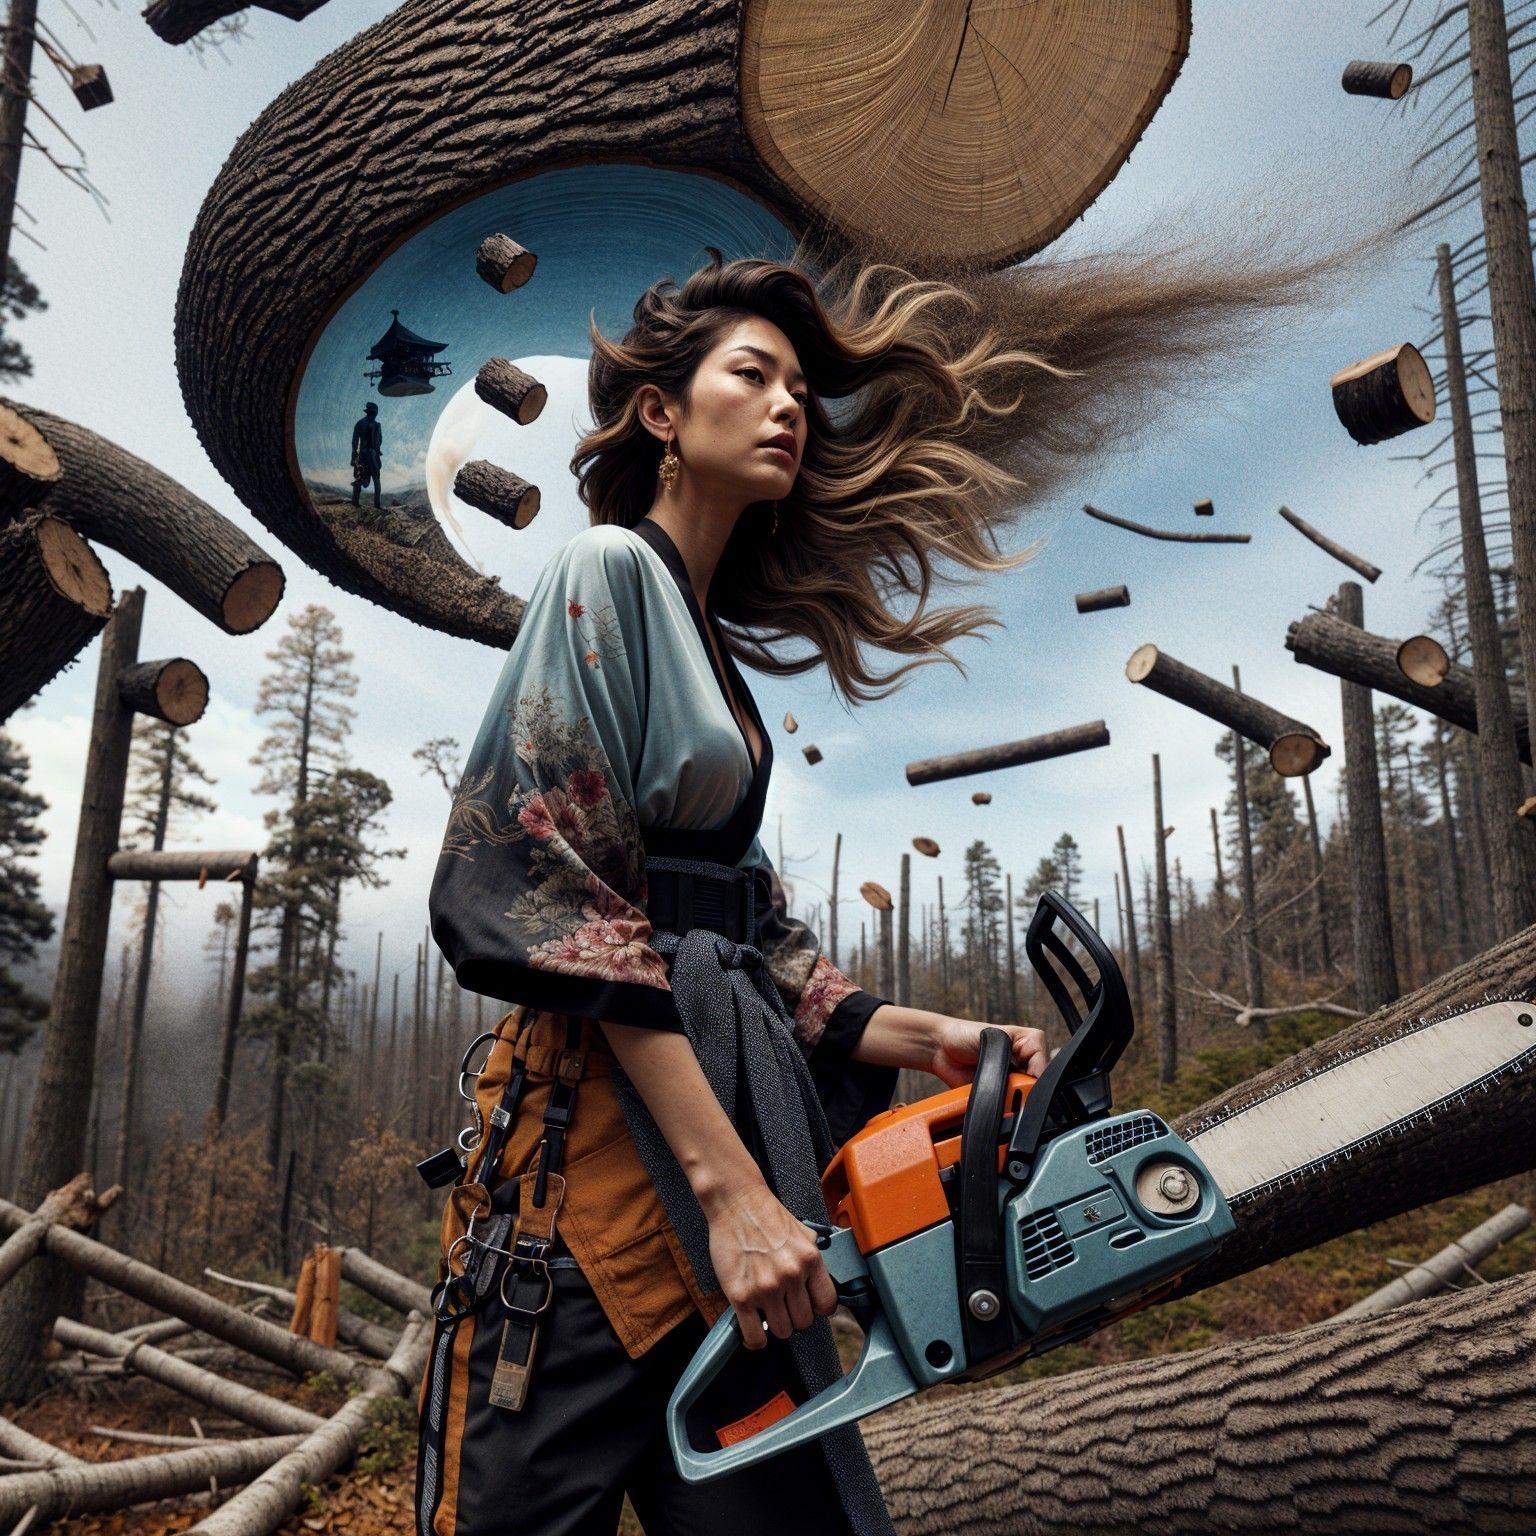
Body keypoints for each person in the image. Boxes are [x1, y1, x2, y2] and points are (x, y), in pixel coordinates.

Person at [420, 237, 1361, 1536]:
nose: (789, 405)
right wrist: (736, 1199)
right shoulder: (608, 572)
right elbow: (546, 883)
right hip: (593, 1183)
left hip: (725, 1149)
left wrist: (932, 1040)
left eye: (801, 390)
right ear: (660, 415)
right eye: (752, 375)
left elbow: (751, 934)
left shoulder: (706, 649)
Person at [352, 400, 382, 508]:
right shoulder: (361, 424)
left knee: (375, 478)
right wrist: (354, 455)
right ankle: (355, 502)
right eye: (372, 413)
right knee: (363, 479)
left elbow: (378, 441)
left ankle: (377, 504)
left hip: (372, 455)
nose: (373, 415)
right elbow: (355, 441)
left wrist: (377, 453)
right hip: (364, 455)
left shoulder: (377, 426)